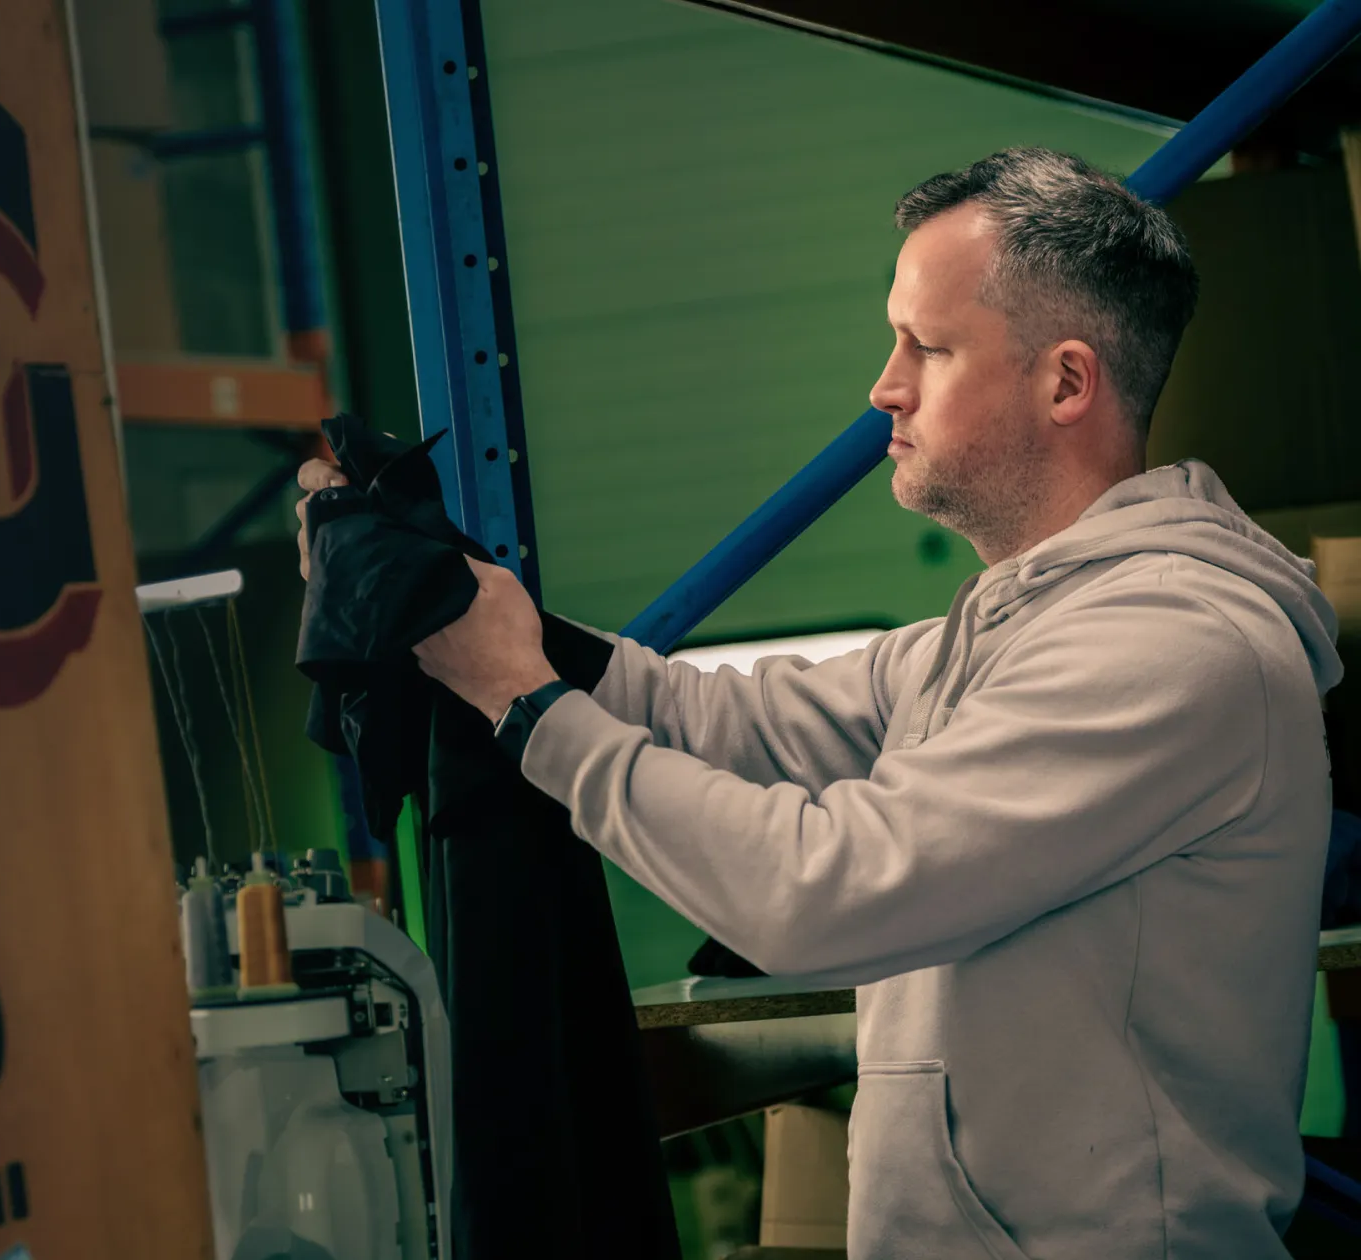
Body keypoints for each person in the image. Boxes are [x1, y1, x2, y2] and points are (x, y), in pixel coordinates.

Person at [298, 148, 1344, 1259]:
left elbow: (824, 889)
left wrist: (525, 704)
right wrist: (490, 615)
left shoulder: (1170, 647)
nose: (884, 386)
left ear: (1067, 382)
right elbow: (727, 722)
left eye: (927, 348)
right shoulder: (997, 634)